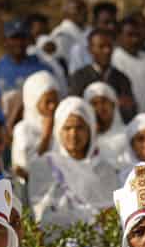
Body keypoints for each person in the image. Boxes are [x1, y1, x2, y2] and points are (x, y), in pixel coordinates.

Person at [27, 96, 116, 229]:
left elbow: (112, 215)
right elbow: (40, 213)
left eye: (80, 127)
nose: (73, 134)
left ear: (90, 130)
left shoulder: (105, 170)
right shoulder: (44, 166)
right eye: (67, 128)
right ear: (58, 130)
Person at [0, 19, 52, 125]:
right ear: (5, 41)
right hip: (2, 133)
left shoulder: (42, 71)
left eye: (22, 38)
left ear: (28, 40)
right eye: (14, 38)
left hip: (34, 130)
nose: (18, 43)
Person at [67, 28, 137, 121]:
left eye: (109, 46)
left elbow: (130, 110)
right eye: (101, 46)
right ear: (90, 49)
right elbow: (74, 108)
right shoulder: (79, 77)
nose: (107, 51)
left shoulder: (122, 78)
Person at [10, 72, 64, 177]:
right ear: (33, 102)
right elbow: (27, 169)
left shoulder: (64, 124)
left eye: (55, 100)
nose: (52, 106)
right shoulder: (23, 130)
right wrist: (46, 136)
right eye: (47, 102)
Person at [112, 16, 145, 116]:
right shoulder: (115, 60)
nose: (135, 39)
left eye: (137, 35)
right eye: (130, 35)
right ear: (119, 36)